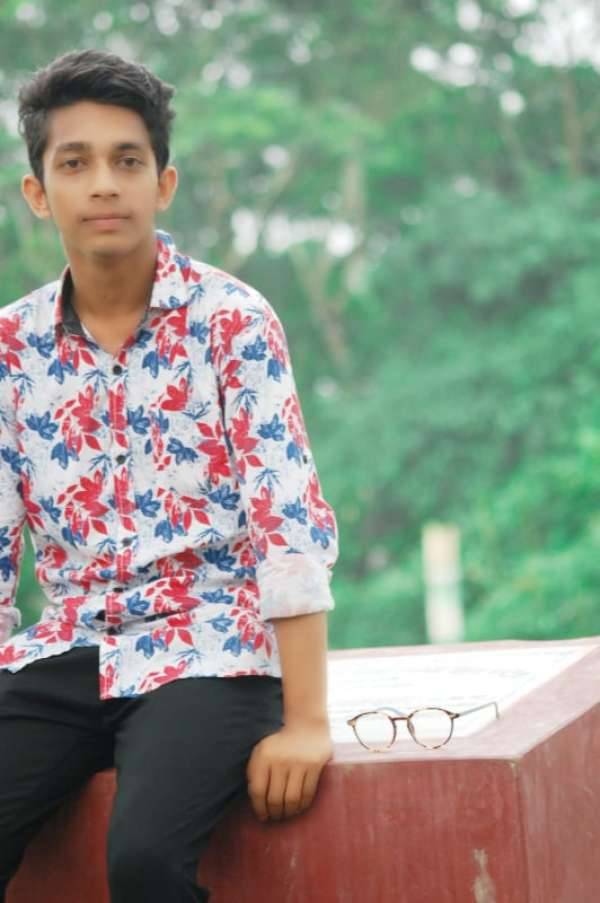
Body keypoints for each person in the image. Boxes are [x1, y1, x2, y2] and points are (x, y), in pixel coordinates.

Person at [0, 49, 338, 902]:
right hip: (70, 646)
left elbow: (286, 521)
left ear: (165, 183)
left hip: (211, 648)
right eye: (75, 164)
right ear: (38, 192)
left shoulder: (233, 321)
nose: (103, 185)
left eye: (127, 161)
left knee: (145, 858)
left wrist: (306, 721)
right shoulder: (9, 348)